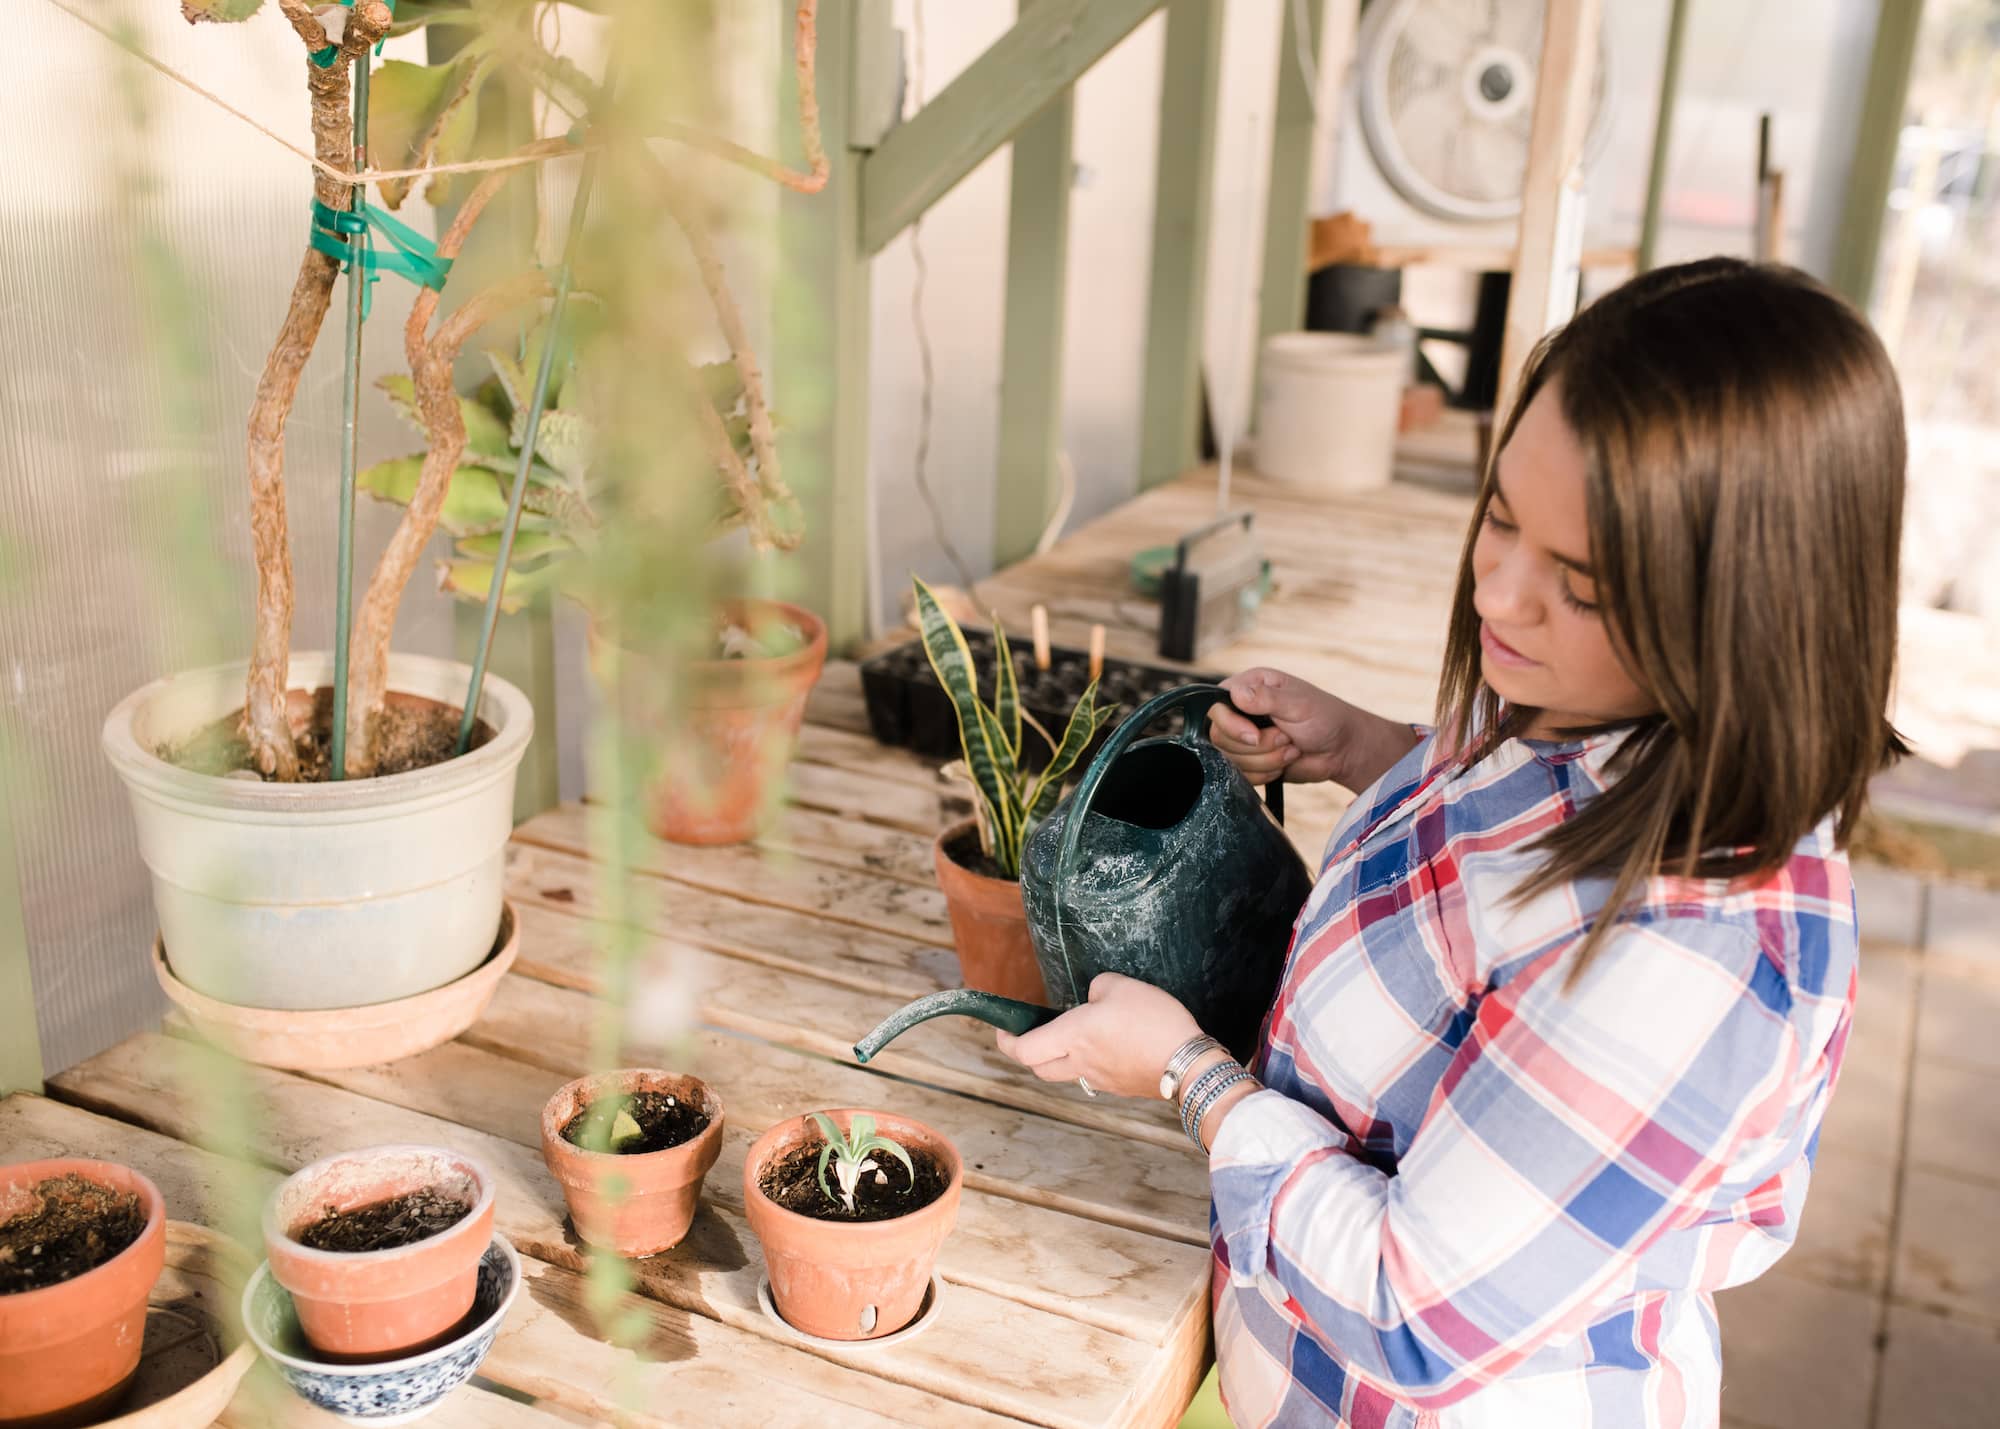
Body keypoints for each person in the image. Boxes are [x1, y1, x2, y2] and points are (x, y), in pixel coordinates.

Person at [995, 258, 1906, 1427]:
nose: (1499, 594)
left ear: (1741, 614)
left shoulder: (1699, 950)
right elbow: (1520, 824)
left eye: (1580, 584)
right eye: (1499, 514)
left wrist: (1188, 1077)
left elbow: (1408, 1311)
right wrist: (1366, 746)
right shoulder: (1604, 705)